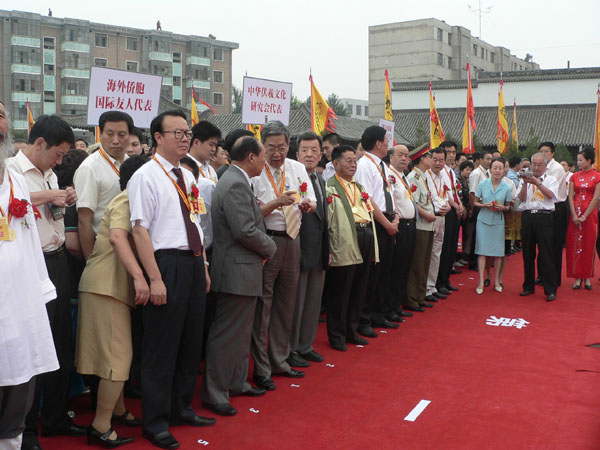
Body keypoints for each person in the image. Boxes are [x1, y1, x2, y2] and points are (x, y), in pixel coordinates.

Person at [128, 110, 215, 450]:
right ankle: (155, 421)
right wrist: (154, 278)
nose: (184, 138)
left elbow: (195, 222)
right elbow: (139, 230)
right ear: (157, 137)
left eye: (187, 132)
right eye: (177, 132)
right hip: (165, 263)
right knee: (161, 347)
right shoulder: (146, 176)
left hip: (192, 262)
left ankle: (181, 408)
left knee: (191, 343)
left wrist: (203, 265)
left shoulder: (188, 176)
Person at [6, 115, 87, 449]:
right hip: (28, 266)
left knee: (60, 345)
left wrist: (63, 197)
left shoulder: (49, 173)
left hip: (57, 261)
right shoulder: (10, 170)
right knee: (33, 347)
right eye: (58, 154)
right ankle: (25, 431)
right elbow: (13, 202)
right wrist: (46, 195)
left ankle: (56, 417)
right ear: (39, 143)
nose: (59, 161)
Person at [76, 156, 150, 448]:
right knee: (116, 360)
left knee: (117, 357)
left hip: (112, 288)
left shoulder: (132, 198)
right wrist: (140, 277)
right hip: (106, 287)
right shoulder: (127, 199)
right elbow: (119, 238)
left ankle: (117, 410)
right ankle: (101, 425)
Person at [200, 136, 276, 416]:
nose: (265, 161)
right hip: (236, 269)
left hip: (244, 267)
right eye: (263, 155)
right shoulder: (234, 183)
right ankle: (215, 392)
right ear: (251, 157)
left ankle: (236, 382)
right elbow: (244, 229)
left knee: (241, 333)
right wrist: (271, 246)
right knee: (227, 334)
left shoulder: (237, 180)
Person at [0, 109, 60, 450]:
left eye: (1, 115)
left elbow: (29, 238)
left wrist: (41, 289)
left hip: (21, 306)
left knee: (18, 391)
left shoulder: (15, 180)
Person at [250, 121, 316, 391]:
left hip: (293, 238)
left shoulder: (297, 168)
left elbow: (311, 199)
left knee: (286, 305)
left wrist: (307, 204)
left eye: (282, 147)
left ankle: (280, 360)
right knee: (263, 306)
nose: (277, 153)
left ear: (289, 146)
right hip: (267, 241)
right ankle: (261, 368)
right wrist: (277, 202)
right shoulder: (255, 170)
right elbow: (252, 214)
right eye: (271, 148)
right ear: (262, 146)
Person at [325, 145, 378, 351]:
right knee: (341, 290)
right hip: (345, 239)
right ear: (336, 163)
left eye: (355, 160)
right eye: (348, 160)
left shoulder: (360, 187)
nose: (353, 164)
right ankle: (337, 334)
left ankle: (351, 330)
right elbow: (328, 222)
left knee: (359, 287)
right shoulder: (330, 187)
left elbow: (369, 211)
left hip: (365, 234)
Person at [288, 132, 329, 367]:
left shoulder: (320, 180)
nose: (309, 154)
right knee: (296, 304)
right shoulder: (291, 180)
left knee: (313, 302)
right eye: (304, 150)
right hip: (299, 248)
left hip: (319, 249)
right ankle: (291, 348)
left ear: (321, 154)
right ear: (297, 154)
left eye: (314, 150)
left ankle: (305, 345)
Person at [74, 111, 133, 260]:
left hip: (130, 245)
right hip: (104, 249)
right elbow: (84, 220)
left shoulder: (131, 163)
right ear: (100, 135)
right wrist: (91, 261)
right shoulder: (89, 168)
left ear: (130, 136)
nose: (116, 140)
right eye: (110, 134)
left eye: (121, 135)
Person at [517, 153, 559, 301]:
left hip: (544, 217)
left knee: (546, 253)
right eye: (533, 164)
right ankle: (528, 286)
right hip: (528, 216)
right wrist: (525, 183)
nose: (535, 167)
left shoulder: (551, 179)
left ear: (545, 166)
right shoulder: (525, 180)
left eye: (539, 164)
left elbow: (551, 195)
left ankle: (550, 289)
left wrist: (537, 183)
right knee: (527, 253)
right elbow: (521, 199)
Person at [386, 144, 417, 321]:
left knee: (405, 267)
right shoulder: (389, 175)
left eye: (406, 155)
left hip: (410, 225)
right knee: (396, 269)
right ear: (391, 157)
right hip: (399, 225)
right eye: (400, 155)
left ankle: (397, 305)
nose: (404, 158)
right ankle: (389, 308)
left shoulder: (403, 175)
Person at [473, 158, 512, 294]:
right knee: (482, 251)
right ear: (490, 169)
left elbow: (508, 206)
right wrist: (484, 205)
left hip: (498, 221)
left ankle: (496, 281)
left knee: (498, 253)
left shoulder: (506, 187)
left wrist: (502, 208)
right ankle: (480, 281)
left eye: (500, 168)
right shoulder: (483, 184)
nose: (497, 171)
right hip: (483, 220)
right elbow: (475, 202)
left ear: (504, 170)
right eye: (495, 168)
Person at [405, 145, 437, 311]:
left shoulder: (423, 177)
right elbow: (413, 202)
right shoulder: (413, 177)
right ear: (422, 159)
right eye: (430, 157)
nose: (432, 160)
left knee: (425, 263)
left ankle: (420, 295)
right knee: (417, 264)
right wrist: (427, 215)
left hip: (428, 225)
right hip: (420, 225)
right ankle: (412, 298)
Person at [566, 147, 600, 289]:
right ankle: (577, 276)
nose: (578, 162)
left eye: (581, 160)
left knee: (588, 244)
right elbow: (570, 196)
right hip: (575, 212)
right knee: (575, 244)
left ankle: (587, 277)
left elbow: (596, 198)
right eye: (578, 160)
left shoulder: (597, 177)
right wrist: (574, 214)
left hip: (590, 214)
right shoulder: (574, 177)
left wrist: (585, 216)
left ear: (589, 160)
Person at [424, 148, 453, 302]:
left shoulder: (442, 176)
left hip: (442, 217)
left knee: (436, 253)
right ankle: (424, 288)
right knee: (427, 254)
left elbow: (445, 197)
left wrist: (448, 206)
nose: (438, 163)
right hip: (430, 218)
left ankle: (432, 286)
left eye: (441, 160)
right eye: (434, 159)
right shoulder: (425, 176)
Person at [539, 142, 568, 287]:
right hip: (543, 208)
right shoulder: (539, 167)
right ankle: (542, 275)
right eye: (541, 151)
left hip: (557, 208)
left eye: (546, 151)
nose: (543, 154)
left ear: (553, 153)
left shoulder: (556, 168)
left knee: (554, 244)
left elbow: (549, 188)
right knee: (543, 243)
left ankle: (554, 278)